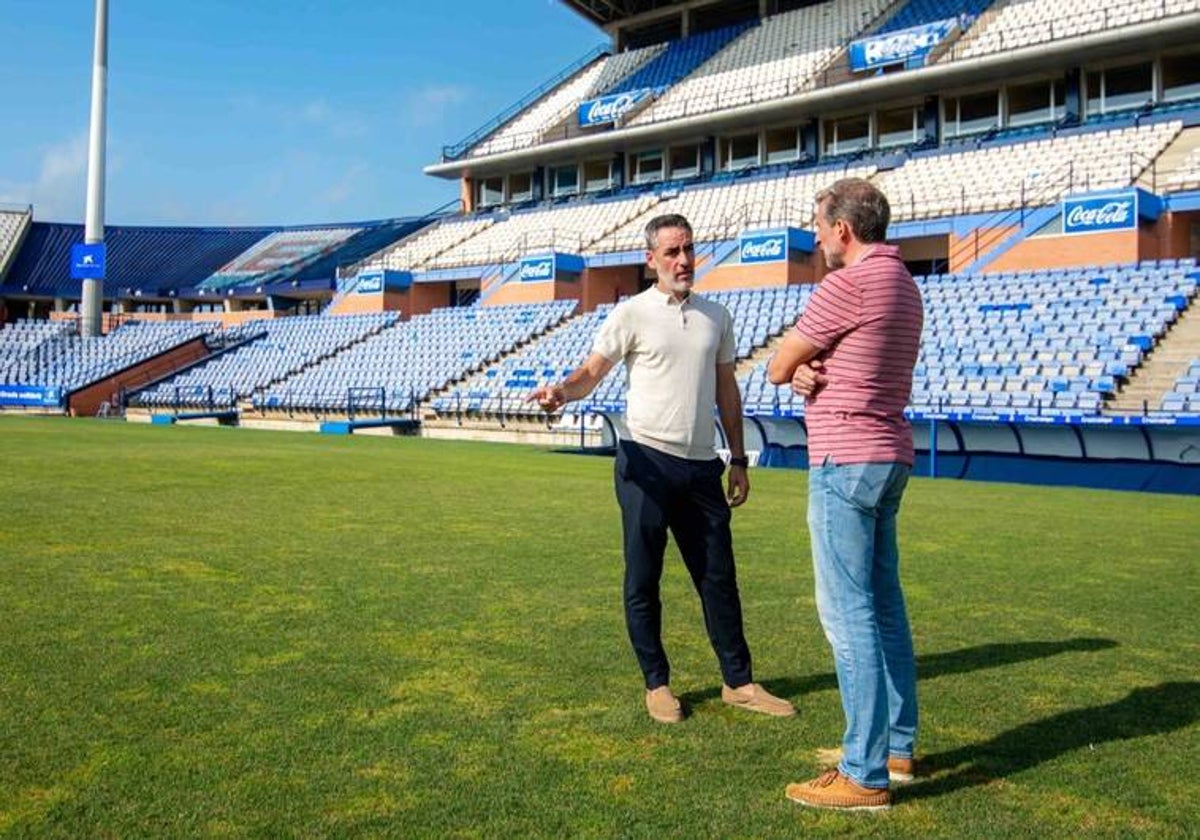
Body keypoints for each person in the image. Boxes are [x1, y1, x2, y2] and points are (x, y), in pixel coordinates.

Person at [530, 213, 795, 724]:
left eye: (689, 249)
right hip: (645, 461)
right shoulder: (630, 314)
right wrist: (561, 392)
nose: (683, 260)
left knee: (719, 578)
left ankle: (738, 682)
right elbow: (592, 371)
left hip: (702, 469)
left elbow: (726, 392)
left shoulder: (716, 315)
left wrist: (737, 459)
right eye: (672, 252)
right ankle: (657, 684)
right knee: (643, 576)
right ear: (650, 260)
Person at [766, 178, 924, 810]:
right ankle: (897, 746)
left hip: (846, 457)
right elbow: (816, 363)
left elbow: (779, 365)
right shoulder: (904, 284)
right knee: (885, 606)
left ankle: (864, 771)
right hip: (889, 453)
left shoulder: (849, 282)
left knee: (848, 613)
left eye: (818, 224)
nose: (815, 236)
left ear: (843, 229)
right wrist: (808, 367)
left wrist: (796, 367)